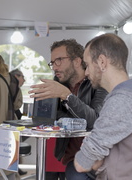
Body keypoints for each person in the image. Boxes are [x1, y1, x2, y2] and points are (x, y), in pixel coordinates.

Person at [29, 39, 108, 180]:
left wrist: (66, 96)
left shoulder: (98, 84)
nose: (54, 67)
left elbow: (95, 120)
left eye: (59, 60)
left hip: (93, 158)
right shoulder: (57, 84)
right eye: (52, 62)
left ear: (77, 61)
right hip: (64, 155)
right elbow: (50, 118)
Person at [74, 33, 132, 179]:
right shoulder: (129, 94)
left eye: (87, 65)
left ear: (102, 62)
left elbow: (82, 163)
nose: (86, 72)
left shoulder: (122, 101)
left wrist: (91, 154)